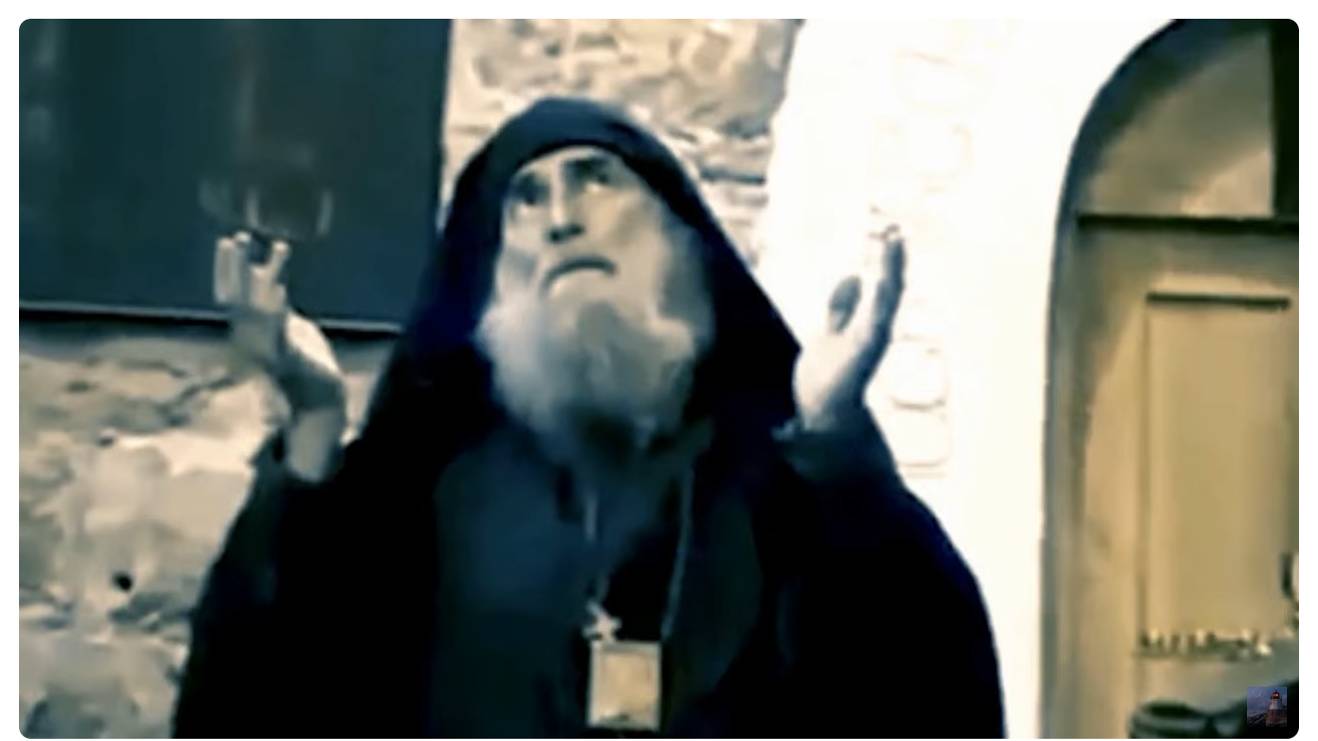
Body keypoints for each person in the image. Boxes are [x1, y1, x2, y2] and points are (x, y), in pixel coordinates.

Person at [173, 97, 1004, 737]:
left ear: (682, 237)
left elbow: (928, 696)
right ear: (492, 283)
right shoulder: (423, 497)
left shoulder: (786, 487)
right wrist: (314, 425)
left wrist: (836, 451)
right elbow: (260, 703)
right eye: (525, 200)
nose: (562, 218)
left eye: (595, 179)